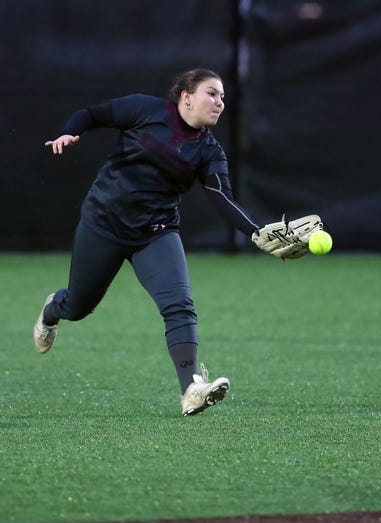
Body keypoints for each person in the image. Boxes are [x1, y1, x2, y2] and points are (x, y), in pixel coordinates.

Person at [34, 68, 264, 416]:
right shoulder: (147, 110)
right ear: (186, 96)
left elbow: (222, 197)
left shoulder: (208, 150)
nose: (220, 102)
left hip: (155, 233)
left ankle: (191, 389)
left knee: (179, 305)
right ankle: (53, 310)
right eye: (212, 94)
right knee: (78, 307)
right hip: (103, 224)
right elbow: (93, 114)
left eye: (222, 97)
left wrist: (256, 233)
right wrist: (70, 132)